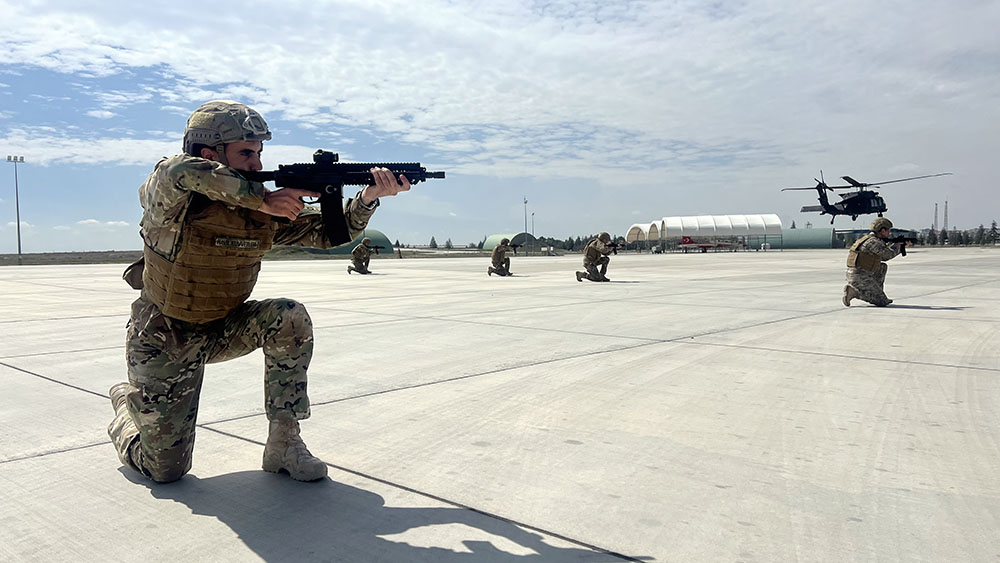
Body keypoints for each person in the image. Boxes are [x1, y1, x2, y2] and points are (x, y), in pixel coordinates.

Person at [108, 100, 410, 483]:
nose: (256, 162)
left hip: (225, 329)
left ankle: (284, 442)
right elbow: (175, 171)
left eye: (259, 153)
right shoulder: (170, 203)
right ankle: (126, 410)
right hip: (164, 339)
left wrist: (367, 199)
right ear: (209, 154)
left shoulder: (262, 214)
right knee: (165, 471)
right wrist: (262, 198)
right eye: (246, 153)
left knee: (289, 315)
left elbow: (330, 234)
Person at [843, 217, 903, 307]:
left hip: (858, 273)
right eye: (888, 231)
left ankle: (877, 293)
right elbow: (888, 255)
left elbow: (882, 257)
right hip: (860, 276)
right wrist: (899, 247)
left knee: (882, 266)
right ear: (883, 231)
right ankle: (854, 292)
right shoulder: (873, 242)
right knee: (882, 302)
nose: (889, 233)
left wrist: (896, 245)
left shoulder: (868, 239)